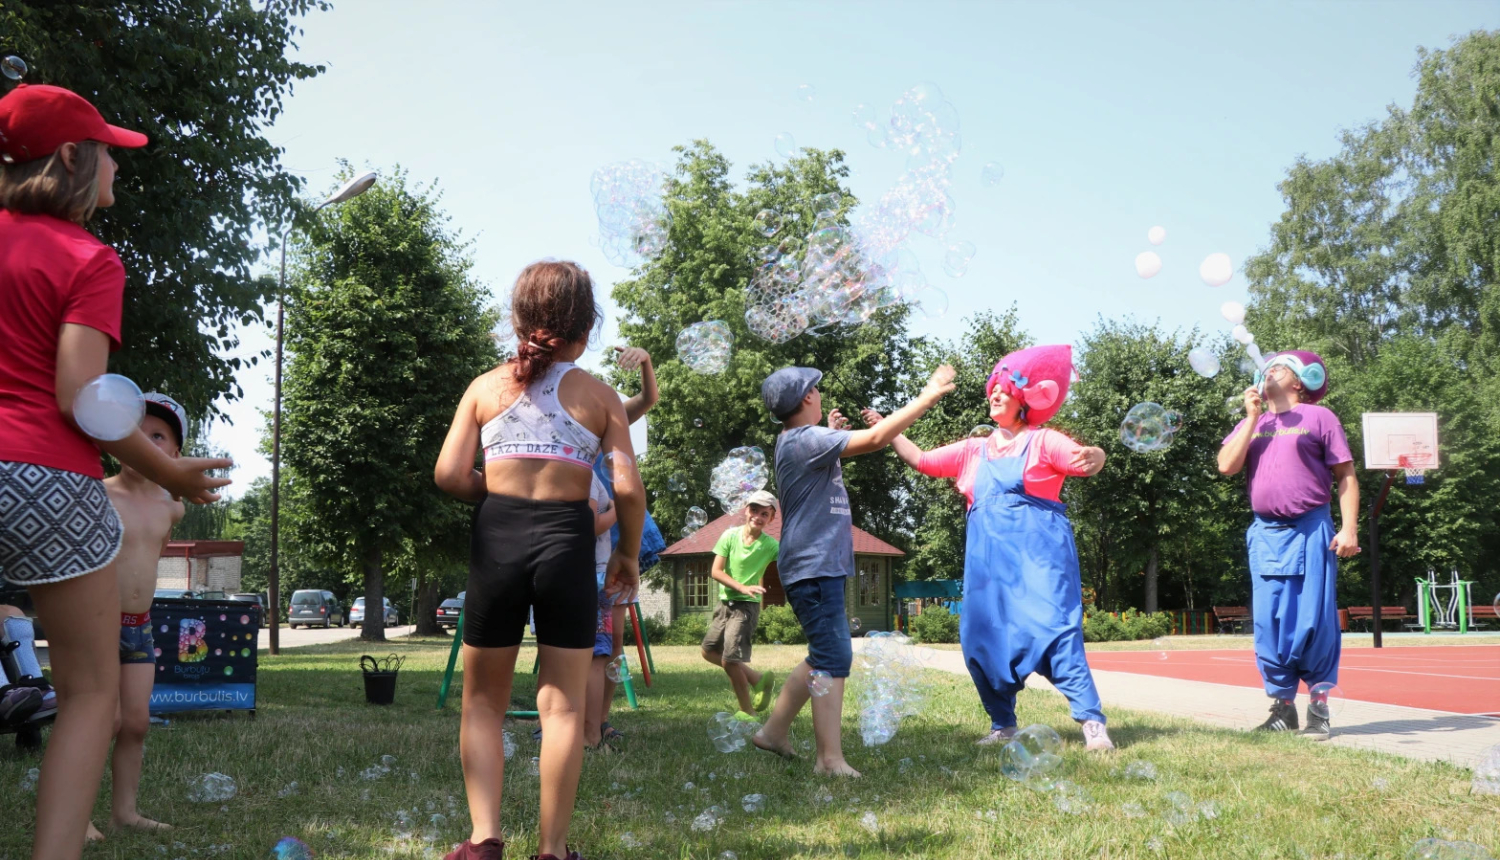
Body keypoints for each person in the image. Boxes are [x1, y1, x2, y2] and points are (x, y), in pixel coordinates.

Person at [0, 84, 231, 860]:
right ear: (71, 157)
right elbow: (81, 400)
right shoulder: (89, 258)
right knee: (93, 695)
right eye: (108, 154)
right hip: (45, 479)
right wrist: (172, 472)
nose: (116, 171)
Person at [434, 259, 644, 860]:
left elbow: (448, 475)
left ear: (519, 321)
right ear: (584, 332)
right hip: (568, 542)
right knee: (563, 706)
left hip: (497, 536)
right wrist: (625, 553)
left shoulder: (484, 387)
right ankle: (552, 850)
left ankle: (482, 841)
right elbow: (627, 489)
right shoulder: (599, 396)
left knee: (481, 702)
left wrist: (496, 493)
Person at [871, 345, 1116, 751]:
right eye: (993, 390)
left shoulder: (1043, 441)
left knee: (1056, 632)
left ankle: (1092, 723)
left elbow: (1083, 461)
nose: (995, 395)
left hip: (1040, 561)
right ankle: (1003, 723)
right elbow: (923, 460)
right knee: (981, 638)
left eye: (1004, 390)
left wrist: (1098, 455)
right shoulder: (974, 450)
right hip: (989, 567)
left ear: (1023, 400)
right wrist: (889, 427)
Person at [750, 363, 955, 777]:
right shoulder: (806, 440)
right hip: (814, 565)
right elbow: (878, 437)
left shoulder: (798, 439)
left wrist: (828, 428)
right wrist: (928, 395)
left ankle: (773, 733)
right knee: (834, 657)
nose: (820, 394)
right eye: (817, 390)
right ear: (808, 397)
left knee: (822, 655)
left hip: (812, 564)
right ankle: (829, 760)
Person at [1217, 350, 1359, 740]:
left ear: (1300, 381)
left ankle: (1318, 709)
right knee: (1268, 621)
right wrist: (1249, 418)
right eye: (1268, 368)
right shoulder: (1256, 422)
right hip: (1265, 533)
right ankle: (1282, 710)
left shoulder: (1320, 417)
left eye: (1279, 367)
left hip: (1311, 528)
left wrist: (1349, 530)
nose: (1269, 371)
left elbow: (1345, 475)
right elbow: (1226, 465)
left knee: (1313, 619)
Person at [83, 393, 187, 841]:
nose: (144, 443)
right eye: (134, 433)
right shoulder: (99, 493)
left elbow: (152, 555)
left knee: (136, 721)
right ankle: (78, 817)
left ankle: (124, 811)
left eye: (158, 436)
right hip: (98, 623)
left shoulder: (171, 506)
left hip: (138, 626)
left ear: (176, 454)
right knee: (99, 721)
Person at [592, 345, 663, 745]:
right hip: (578, 546)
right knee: (572, 641)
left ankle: (600, 720)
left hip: (615, 549)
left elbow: (649, 398)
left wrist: (647, 362)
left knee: (612, 641)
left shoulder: (607, 424)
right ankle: (567, 719)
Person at [700, 490, 780, 717]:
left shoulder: (771, 546)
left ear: (771, 519)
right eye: (754, 510)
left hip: (746, 607)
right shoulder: (729, 536)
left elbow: (791, 559)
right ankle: (757, 679)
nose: (758, 516)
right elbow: (715, 571)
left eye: (764, 513)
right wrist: (741, 586)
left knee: (729, 660)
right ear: (746, 510)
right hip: (726, 603)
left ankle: (748, 711)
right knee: (707, 652)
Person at [582, 473, 618, 750]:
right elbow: (591, 525)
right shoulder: (585, 471)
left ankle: (547, 729)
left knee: (555, 653)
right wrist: (617, 510)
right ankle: (591, 736)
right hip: (593, 575)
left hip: (552, 571)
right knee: (597, 656)